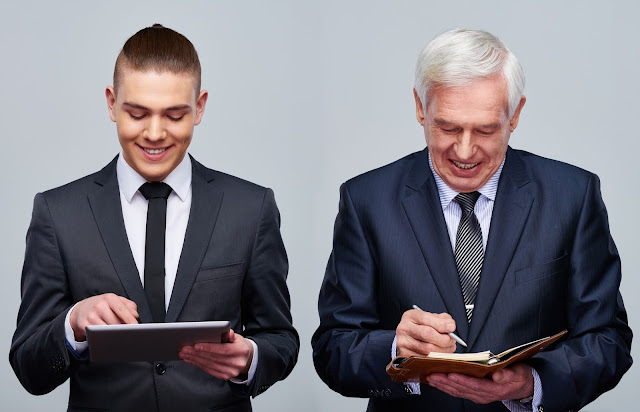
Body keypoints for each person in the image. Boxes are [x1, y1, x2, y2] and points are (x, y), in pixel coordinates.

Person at [311, 29, 632, 412]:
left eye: (485, 130)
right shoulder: (366, 200)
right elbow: (332, 350)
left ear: (515, 115)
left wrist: (531, 383)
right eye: (447, 127)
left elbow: (608, 340)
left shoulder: (573, 196)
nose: (464, 151)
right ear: (419, 106)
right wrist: (398, 351)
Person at [10, 24, 299, 411]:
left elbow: (280, 338)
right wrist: (72, 324)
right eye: (138, 113)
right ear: (112, 103)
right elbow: (29, 369)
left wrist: (250, 359)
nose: (155, 133)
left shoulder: (250, 207)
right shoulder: (58, 213)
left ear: (200, 107)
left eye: (175, 115)